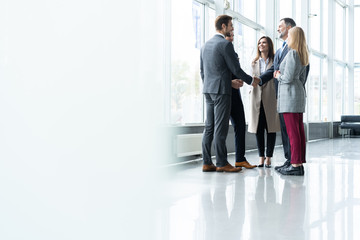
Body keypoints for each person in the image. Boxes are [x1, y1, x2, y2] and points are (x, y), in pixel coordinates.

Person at [200, 15, 260, 172]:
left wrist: (209, 85)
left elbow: (203, 71)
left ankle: (207, 162)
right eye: (231, 25)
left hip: (208, 90)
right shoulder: (225, 44)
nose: (232, 28)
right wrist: (250, 80)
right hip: (221, 92)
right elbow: (236, 69)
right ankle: (221, 163)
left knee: (209, 127)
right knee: (221, 128)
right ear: (223, 26)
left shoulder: (205, 45)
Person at [259, 18, 297, 171]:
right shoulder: (281, 50)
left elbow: (303, 72)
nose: (277, 29)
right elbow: (272, 71)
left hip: (290, 94)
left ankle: (294, 161)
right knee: (285, 130)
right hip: (279, 96)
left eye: (280, 26)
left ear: (289, 28)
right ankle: (289, 160)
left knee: (291, 130)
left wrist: (294, 89)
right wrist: (258, 80)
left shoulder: (295, 47)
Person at [274, 26, 309, 175]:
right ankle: (298, 163)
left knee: (293, 132)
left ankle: (294, 165)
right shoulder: (302, 54)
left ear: (294, 37)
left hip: (290, 97)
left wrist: (277, 76)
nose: (287, 37)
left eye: (289, 35)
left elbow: (287, 78)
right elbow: (300, 79)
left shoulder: (293, 54)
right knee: (298, 131)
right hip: (297, 95)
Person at [225, 31, 257, 169]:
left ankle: (240, 159)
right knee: (219, 128)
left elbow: (236, 70)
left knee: (240, 125)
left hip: (235, 94)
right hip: (224, 93)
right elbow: (217, 73)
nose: (232, 38)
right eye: (229, 36)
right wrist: (231, 82)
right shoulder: (220, 51)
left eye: (232, 35)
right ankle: (221, 161)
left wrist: (239, 80)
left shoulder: (234, 53)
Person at [248, 36, 280, 168]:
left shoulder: (275, 61)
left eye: (264, 42)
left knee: (271, 128)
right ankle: (261, 157)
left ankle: (269, 157)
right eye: (259, 43)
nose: (261, 45)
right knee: (258, 128)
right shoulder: (254, 62)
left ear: (269, 45)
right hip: (256, 97)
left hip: (271, 96)